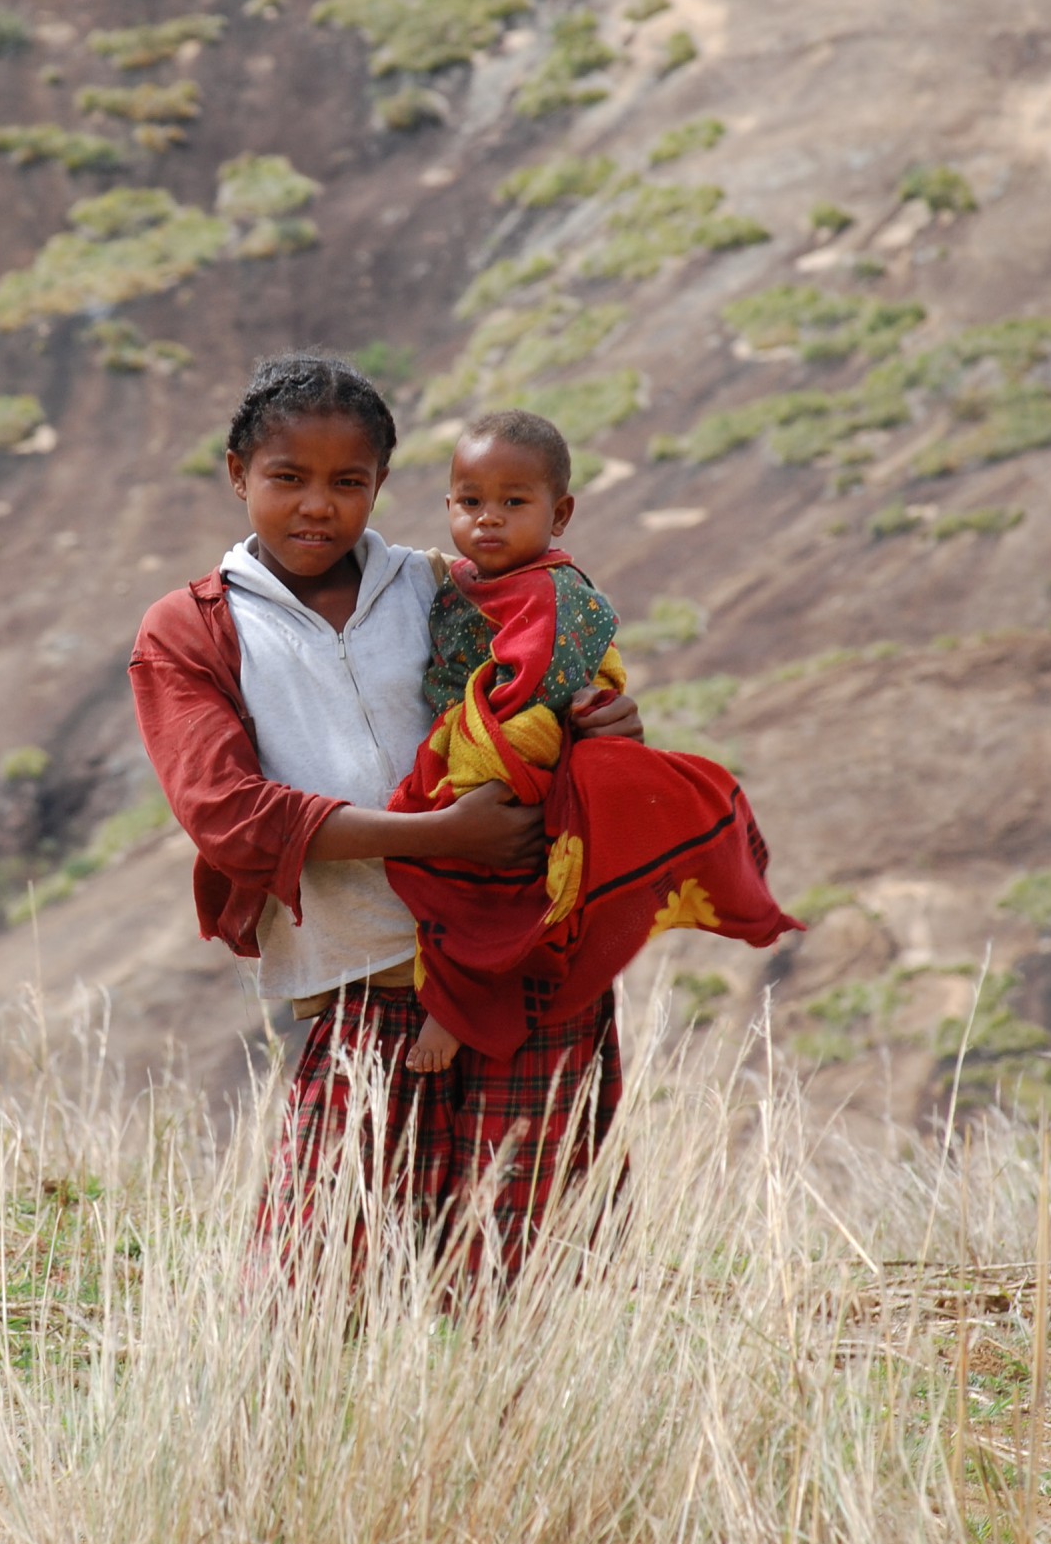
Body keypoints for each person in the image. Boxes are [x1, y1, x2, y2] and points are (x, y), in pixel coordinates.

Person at [127, 353, 645, 1281]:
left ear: (381, 487)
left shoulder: (443, 588)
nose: (316, 506)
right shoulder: (194, 627)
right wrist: (434, 839)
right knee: (317, 1279)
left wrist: (607, 725)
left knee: (529, 1275)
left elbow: (542, 698)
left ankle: (520, 1434)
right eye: (286, 478)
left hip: (518, 961)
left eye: (347, 482)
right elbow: (227, 815)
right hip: (357, 977)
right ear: (238, 474)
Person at [387, 408, 802, 1076]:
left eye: (512, 503)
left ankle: (460, 1005)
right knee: (436, 857)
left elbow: (532, 690)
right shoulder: (457, 581)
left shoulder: (555, 595)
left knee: (479, 879)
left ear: (559, 514)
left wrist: (470, 763)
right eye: (470, 502)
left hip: (523, 751)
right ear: (447, 505)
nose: (486, 518)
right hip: (479, 733)